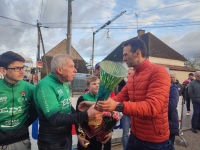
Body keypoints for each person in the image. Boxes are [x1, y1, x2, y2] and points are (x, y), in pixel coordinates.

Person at [95, 39, 171, 149]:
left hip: (154, 141)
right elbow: (119, 98)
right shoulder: (132, 75)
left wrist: (117, 106)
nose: (123, 58)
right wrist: (95, 104)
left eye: (126, 54)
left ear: (137, 53)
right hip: (135, 135)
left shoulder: (159, 72)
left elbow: (153, 107)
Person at [34, 54, 102, 150]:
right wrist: (86, 115)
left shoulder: (64, 82)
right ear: (59, 70)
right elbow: (55, 119)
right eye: (71, 66)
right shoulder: (45, 86)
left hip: (66, 136)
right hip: (52, 142)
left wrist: (81, 134)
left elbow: (68, 109)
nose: (75, 70)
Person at [0, 51, 37, 150]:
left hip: (22, 140)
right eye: (17, 68)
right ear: (3, 70)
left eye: (23, 67)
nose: (22, 71)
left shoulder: (31, 89)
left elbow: (35, 112)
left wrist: (23, 127)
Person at [76, 75, 112, 150]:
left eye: (99, 84)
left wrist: (110, 130)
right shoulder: (82, 98)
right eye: (94, 84)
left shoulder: (103, 98)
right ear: (87, 86)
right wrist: (80, 135)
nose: (97, 86)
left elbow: (109, 117)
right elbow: (78, 119)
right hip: (86, 134)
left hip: (100, 133)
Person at [119, 67, 134, 150]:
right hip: (125, 111)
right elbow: (119, 97)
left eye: (132, 73)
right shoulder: (122, 84)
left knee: (135, 132)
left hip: (135, 111)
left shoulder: (137, 83)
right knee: (125, 132)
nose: (130, 75)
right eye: (129, 73)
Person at [168, 82, 179, 150]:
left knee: (170, 144)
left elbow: (172, 104)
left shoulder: (173, 89)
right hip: (160, 122)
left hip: (170, 119)